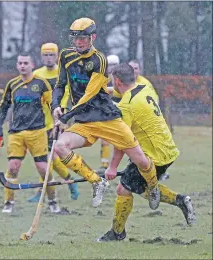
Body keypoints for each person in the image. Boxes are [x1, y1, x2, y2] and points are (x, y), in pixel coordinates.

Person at [52, 17, 160, 209]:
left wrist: (66, 118)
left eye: (83, 38)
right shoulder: (65, 55)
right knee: (60, 147)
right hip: (84, 121)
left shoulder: (99, 60)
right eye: (75, 38)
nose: (78, 42)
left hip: (106, 117)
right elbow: (60, 85)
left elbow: (88, 96)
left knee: (142, 161)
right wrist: (56, 107)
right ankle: (96, 181)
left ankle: (153, 186)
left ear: (93, 37)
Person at [96, 63, 195, 242]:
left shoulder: (126, 105)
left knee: (123, 189)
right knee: (138, 187)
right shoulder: (144, 87)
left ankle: (117, 233)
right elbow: (119, 93)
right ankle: (180, 200)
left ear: (117, 80)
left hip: (152, 156)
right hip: (167, 149)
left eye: (113, 81)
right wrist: (103, 90)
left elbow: (122, 141)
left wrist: (112, 167)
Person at [0, 52, 61, 214]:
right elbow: (4, 106)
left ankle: (52, 200)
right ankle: (8, 202)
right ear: (17, 66)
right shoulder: (12, 84)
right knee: (13, 167)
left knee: (43, 169)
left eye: (26, 63)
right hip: (16, 133)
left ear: (32, 65)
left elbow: (53, 104)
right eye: (20, 63)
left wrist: (57, 123)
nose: (23, 66)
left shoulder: (41, 83)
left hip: (37, 132)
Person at [27, 42, 79, 203]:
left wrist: (62, 114)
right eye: (45, 55)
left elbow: (67, 93)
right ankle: (68, 181)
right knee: (45, 157)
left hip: (57, 120)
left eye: (51, 55)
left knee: (47, 156)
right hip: (38, 121)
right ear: (41, 56)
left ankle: (44, 189)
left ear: (57, 56)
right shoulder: (36, 74)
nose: (48, 58)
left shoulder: (63, 72)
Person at [98, 54, 120, 172]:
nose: (112, 67)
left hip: (119, 113)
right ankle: (104, 164)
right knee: (104, 140)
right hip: (105, 113)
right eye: (110, 64)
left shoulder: (121, 78)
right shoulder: (103, 78)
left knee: (121, 142)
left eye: (114, 64)